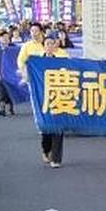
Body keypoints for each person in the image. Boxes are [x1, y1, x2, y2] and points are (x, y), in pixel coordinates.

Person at [37, 32, 68, 168]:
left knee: (58, 128)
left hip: (58, 98)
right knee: (47, 129)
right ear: (43, 46)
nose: (49, 46)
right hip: (43, 99)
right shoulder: (36, 62)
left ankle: (56, 158)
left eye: (52, 43)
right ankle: (46, 149)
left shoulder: (60, 61)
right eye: (47, 44)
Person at [0, 30, 15, 117]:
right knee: (2, 92)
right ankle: (2, 109)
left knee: (10, 91)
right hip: (1, 73)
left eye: (6, 38)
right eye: (3, 38)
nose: (5, 39)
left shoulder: (12, 48)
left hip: (11, 73)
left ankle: (11, 108)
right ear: (0, 39)